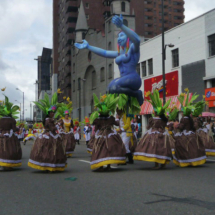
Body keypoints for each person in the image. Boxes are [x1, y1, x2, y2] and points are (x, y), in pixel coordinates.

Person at [75, 14, 143, 106]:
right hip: (123, 80)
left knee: (114, 87)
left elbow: (137, 40)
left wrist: (122, 26)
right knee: (109, 89)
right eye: (118, 37)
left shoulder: (133, 49)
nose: (119, 38)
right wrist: (88, 47)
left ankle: (136, 94)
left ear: (128, 37)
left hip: (133, 79)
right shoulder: (119, 53)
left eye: (122, 36)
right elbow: (105, 53)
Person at [133, 90, 173, 169]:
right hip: (163, 134)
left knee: (154, 148)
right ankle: (163, 164)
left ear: (156, 112)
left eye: (154, 111)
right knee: (163, 148)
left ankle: (156, 164)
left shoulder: (153, 119)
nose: (153, 112)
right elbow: (165, 125)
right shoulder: (164, 119)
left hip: (154, 134)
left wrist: (148, 128)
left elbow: (149, 127)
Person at [28, 92, 67, 172]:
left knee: (50, 149)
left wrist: (56, 124)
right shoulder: (48, 120)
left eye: (53, 112)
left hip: (50, 134)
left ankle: (49, 164)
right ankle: (48, 164)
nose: (52, 113)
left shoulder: (49, 119)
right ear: (48, 113)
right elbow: (52, 128)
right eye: (51, 112)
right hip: (49, 134)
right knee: (49, 150)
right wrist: (57, 125)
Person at [89, 93, 126, 171]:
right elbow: (116, 123)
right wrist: (118, 119)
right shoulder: (110, 119)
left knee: (100, 149)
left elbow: (95, 125)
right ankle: (107, 166)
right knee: (110, 148)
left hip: (102, 135)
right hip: (109, 135)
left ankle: (102, 166)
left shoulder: (99, 119)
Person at [173, 90, 206, 167]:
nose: (181, 112)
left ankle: (186, 160)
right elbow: (193, 126)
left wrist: (177, 126)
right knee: (194, 147)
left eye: (182, 111)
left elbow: (181, 127)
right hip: (191, 133)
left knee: (182, 146)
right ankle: (195, 160)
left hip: (185, 134)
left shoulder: (184, 118)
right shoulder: (190, 119)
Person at [0, 95, 22, 170]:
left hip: (2, 135)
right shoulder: (12, 120)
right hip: (10, 135)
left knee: (2, 149)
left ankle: (3, 163)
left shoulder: (1, 119)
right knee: (10, 149)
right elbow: (14, 128)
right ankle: (9, 164)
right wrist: (17, 129)